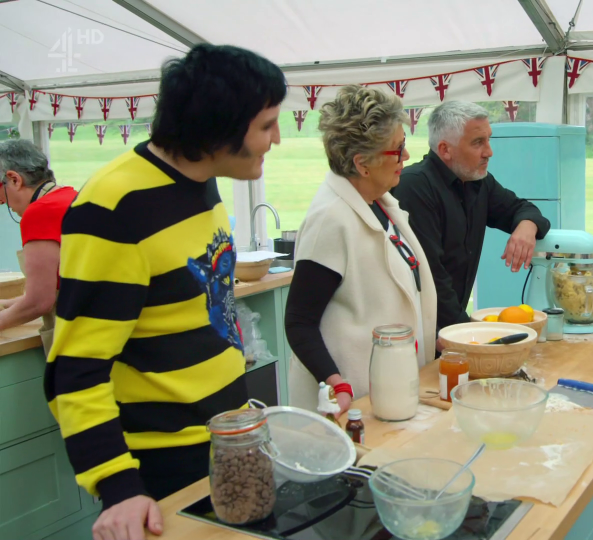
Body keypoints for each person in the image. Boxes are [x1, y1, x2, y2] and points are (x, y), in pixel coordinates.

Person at [46, 44, 286, 540]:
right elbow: (75, 370)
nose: (277, 140)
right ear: (220, 127)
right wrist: (118, 487)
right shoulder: (114, 208)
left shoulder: (202, 180)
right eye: (266, 125)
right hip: (163, 464)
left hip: (227, 437)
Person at [285, 85, 438, 416]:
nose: (406, 158)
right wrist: (336, 383)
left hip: (391, 390)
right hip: (351, 403)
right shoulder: (331, 219)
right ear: (362, 164)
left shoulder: (380, 204)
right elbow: (299, 320)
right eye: (397, 150)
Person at [392, 101, 550, 335]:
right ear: (445, 149)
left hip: (451, 328)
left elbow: (522, 208)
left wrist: (527, 226)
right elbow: (431, 277)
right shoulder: (414, 186)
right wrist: (467, 333)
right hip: (418, 333)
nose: (489, 151)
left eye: (488, 139)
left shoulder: (478, 182)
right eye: (478, 142)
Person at [0, 140, 77, 354]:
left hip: (80, 338)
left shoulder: (41, 211)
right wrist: (7, 303)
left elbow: (39, 302)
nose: (1, 201)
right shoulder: (71, 196)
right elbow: (61, 285)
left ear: (14, 179)